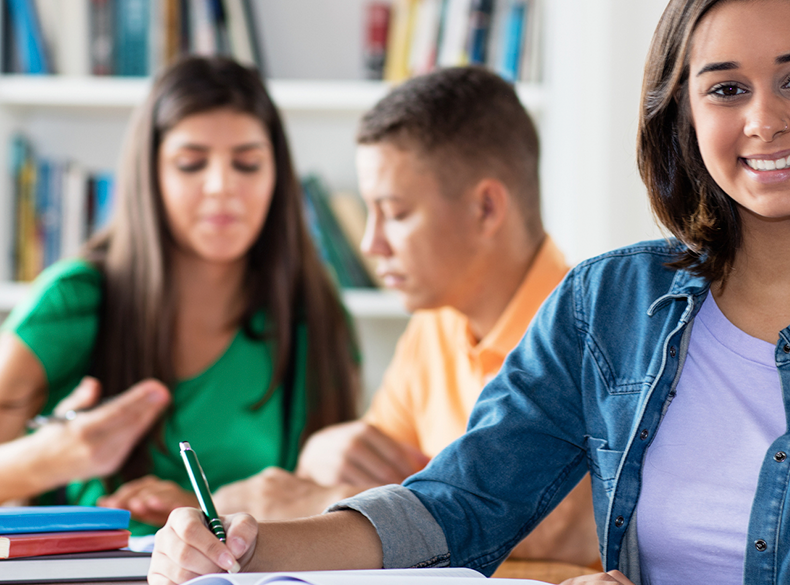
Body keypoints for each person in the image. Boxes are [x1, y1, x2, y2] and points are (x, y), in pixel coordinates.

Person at [149, 0, 790, 584]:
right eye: (725, 88)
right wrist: (249, 543)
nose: (764, 119)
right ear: (684, 118)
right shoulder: (604, 306)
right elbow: (460, 503)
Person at [0, 57, 359, 535]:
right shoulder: (75, 302)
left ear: (278, 176)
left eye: (247, 164)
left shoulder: (315, 311)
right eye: (191, 164)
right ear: (151, 175)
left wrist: (200, 510)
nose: (222, 186)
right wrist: (54, 457)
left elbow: (326, 510)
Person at [214, 66, 599, 568]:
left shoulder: (594, 335)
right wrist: (320, 457)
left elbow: (522, 535)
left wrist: (300, 504)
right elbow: (371, 488)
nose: (371, 244)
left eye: (394, 214)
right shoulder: (435, 325)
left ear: (486, 208)